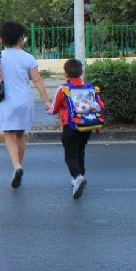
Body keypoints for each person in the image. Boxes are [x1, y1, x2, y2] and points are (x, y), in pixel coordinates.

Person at [0, 21, 52, 189]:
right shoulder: (28, 57)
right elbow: (37, 79)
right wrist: (46, 100)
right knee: (20, 135)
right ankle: (18, 167)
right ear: (19, 39)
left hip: (8, 100)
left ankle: (16, 166)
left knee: (8, 134)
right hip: (25, 100)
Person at [47, 58, 104, 199]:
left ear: (65, 73)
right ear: (81, 72)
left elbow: (54, 108)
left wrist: (48, 108)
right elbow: (101, 106)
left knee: (70, 154)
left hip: (71, 126)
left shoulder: (64, 89)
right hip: (87, 125)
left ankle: (77, 177)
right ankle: (80, 175)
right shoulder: (90, 88)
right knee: (80, 150)